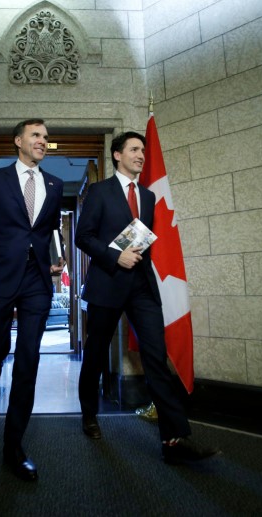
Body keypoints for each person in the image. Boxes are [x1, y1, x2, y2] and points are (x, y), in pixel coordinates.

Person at [75, 131, 219, 465]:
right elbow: (84, 236)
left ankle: (173, 441)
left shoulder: (149, 197)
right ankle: (88, 415)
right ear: (116, 155)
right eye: (134, 150)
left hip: (141, 288)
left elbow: (142, 240)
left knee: (155, 357)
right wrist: (115, 256)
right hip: (107, 285)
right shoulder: (98, 192)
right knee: (95, 354)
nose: (141, 155)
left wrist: (131, 254)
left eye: (142, 150)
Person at [0, 119, 65, 481]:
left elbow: (50, 228)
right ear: (18, 141)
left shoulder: (53, 185)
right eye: (36, 136)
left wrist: (57, 256)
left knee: (28, 359)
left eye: (46, 138)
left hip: (37, 280)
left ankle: (14, 446)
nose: (42, 141)